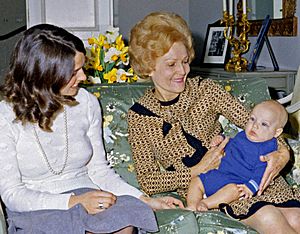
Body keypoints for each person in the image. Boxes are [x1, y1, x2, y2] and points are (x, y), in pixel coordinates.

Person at [0, 23, 184, 234]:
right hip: (38, 207)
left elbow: (98, 170)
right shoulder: (5, 116)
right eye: (73, 71)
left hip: (87, 195)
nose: (83, 78)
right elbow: (13, 195)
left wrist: (144, 199)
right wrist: (74, 202)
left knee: (125, 220)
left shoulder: (86, 102)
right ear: (45, 74)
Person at [127, 11, 300, 233]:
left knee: (296, 217)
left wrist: (282, 152)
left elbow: (257, 122)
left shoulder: (206, 90)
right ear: (149, 66)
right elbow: (148, 180)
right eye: (172, 64)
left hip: (253, 172)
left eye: (185, 61)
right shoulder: (139, 116)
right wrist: (195, 171)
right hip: (215, 188)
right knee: (268, 216)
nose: (182, 71)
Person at [186, 100, 290, 211]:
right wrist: (221, 139)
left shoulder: (268, 149)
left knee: (234, 190)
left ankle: (205, 204)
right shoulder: (242, 135)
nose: (255, 126)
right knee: (196, 180)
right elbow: (230, 144)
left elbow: (262, 173)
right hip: (220, 174)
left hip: (237, 183)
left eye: (264, 124)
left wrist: (250, 188)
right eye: (252, 119)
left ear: (277, 132)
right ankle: (192, 206)